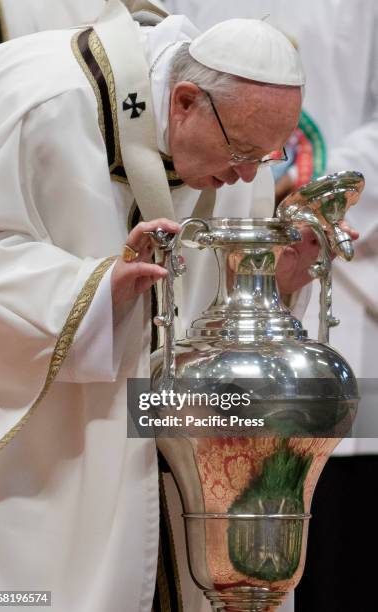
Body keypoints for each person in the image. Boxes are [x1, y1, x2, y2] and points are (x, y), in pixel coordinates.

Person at [0, 1, 357, 611]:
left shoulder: (240, 137)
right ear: (183, 101)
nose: (245, 177)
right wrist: (97, 289)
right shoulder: (36, 99)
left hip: (184, 454)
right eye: (239, 154)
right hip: (60, 451)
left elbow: (219, 304)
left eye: (264, 159)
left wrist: (276, 280)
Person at [165, 1, 378, 611]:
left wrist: (307, 180)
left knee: (339, 542)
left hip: (343, 282)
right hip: (218, 228)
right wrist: (255, 174)